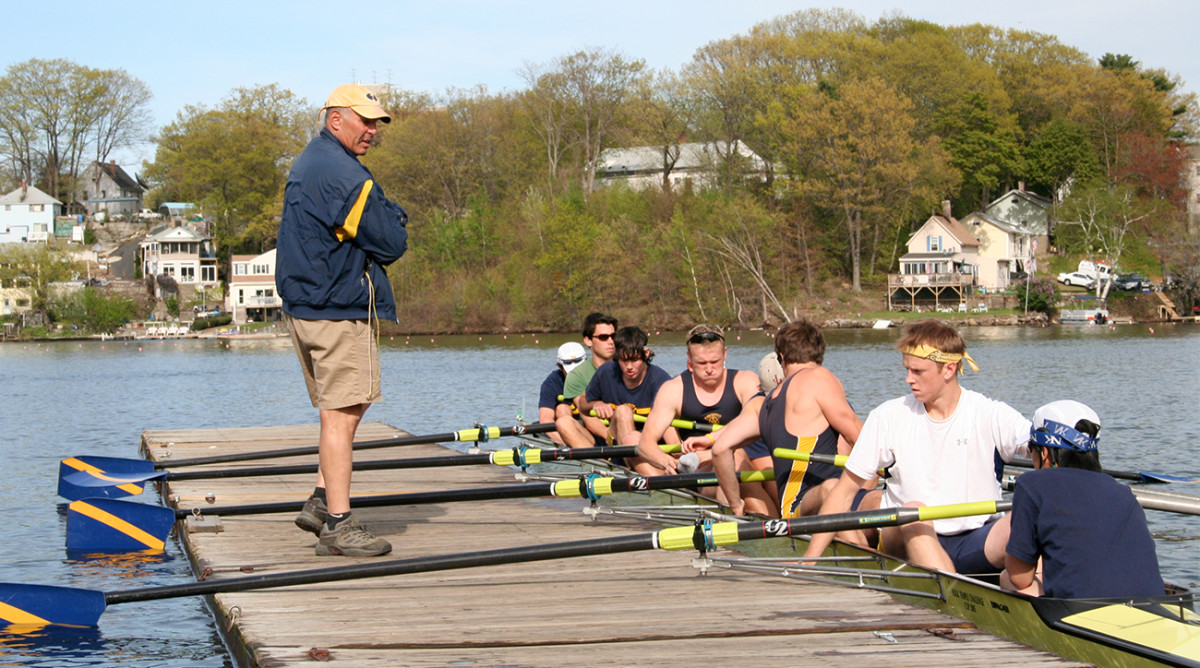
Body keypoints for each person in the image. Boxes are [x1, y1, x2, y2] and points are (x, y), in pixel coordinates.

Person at [275, 83, 408, 557]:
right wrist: (394, 215)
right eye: (365, 121)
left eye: (376, 123)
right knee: (340, 414)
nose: (372, 131)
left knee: (346, 406)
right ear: (336, 120)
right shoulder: (346, 175)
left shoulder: (311, 160)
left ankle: (320, 497)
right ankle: (338, 524)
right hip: (337, 309)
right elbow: (391, 242)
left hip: (306, 306)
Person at [802, 320, 1030, 574]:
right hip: (905, 537)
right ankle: (953, 590)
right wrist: (811, 558)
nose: (908, 379)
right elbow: (844, 492)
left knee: (1033, 514)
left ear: (949, 369)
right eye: (907, 369)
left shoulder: (990, 413)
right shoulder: (888, 416)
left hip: (977, 538)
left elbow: (1039, 448)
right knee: (914, 514)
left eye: (918, 371)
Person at [687, 320, 867, 525]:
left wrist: (736, 504)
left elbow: (720, 450)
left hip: (811, 503)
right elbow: (863, 440)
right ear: (820, 353)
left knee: (865, 497)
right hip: (806, 506)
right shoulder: (820, 378)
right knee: (839, 490)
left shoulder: (761, 404)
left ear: (782, 358)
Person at [1002, 401, 1163, 598]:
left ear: (1044, 452)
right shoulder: (1124, 493)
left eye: (1031, 448)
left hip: (1080, 609)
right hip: (1154, 604)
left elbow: (1020, 577)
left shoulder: (1031, 485)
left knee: (1006, 578)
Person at [635, 325, 774, 513]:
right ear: (689, 359)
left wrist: (712, 450)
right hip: (703, 471)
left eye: (715, 361)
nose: (709, 369)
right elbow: (645, 444)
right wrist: (667, 462)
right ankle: (757, 520)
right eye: (701, 363)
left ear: (725, 354)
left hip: (747, 457)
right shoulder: (673, 390)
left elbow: (758, 420)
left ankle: (773, 520)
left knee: (747, 462)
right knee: (733, 458)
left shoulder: (746, 380)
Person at [575, 326, 671, 448]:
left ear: (646, 354)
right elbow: (583, 404)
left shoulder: (661, 381)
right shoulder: (606, 372)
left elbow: (670, 426)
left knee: (625, 413)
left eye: (634, 360)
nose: (629, 367)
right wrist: (596, 404)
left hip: (650, 443)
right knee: (623, 411)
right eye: (623, 360)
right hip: (616, 439)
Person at [555, 313, 618, 448]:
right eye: (603, 337)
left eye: (613, 336)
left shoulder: (630, 367)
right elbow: (588, 417)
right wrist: (612, 438)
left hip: (629, 429)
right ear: (588, 341)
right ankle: (602, 458)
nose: (611, 341)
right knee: (563, 422)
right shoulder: (576, 376)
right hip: (599, 436)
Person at [538, 342, 586, 446]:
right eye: (571, 372)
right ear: (560, 366)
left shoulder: (598, 375)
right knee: (562, 408)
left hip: (593, 426)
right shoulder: (552, 383)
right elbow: (545, 419)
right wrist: (569, 444)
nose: (575, 375)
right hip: (569, 431)